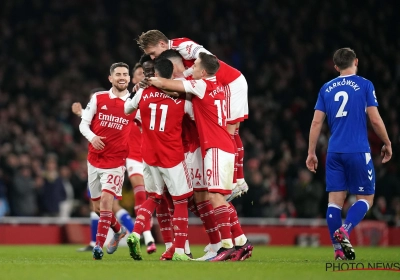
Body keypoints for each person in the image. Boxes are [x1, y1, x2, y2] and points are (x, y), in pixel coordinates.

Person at [148, 52, 253, 262]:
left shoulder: (203, 85)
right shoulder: (217, 88)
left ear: (203, 72)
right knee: (215, 196)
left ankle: (225, 246)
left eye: (194, 66)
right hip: (222, 145)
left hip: (215, 147)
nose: (190, 69)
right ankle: (239, 242)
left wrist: (150, 80)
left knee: (214, 197)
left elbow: (172, 85)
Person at [137, 30, 249, 201]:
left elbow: (208, 60)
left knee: (229, 131)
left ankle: (236, 181)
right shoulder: (173, 55)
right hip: (222, 84)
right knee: (231, 131)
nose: (153, 58)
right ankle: (237, 181)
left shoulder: (183, 46)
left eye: (152, 53)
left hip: (229, 83)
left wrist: (188, 75)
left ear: (162, 44)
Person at [306, 48, 392, 261]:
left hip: (334, 152)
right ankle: (345, 230)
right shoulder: (364, 84)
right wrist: (387, 142)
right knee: (366, 199)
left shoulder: (326, 88)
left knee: (334, 202)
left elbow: (317, 122)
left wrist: (311, 152)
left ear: (336, 67)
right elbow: (375, 119)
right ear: (356, 61)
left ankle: (338, 251)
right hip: (357, 150)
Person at [125, 59, 194, 261]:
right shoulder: (182, 98)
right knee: (180, 200)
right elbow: (194, 118)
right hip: (172, 155)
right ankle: (181, 250)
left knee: (154, 198)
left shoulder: (142, 92)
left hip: (148, 155)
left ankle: (136, 233)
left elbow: (127, 109)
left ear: (154, 73)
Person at [79, 62, 133, 260]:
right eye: (117, 74)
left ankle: (98, 247)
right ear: (110, 78)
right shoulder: (98, 98)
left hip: (116, 162)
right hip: (94, 159)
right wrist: (93, 138)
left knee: (106, 203)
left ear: (129, 78)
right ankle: (119, 232)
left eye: (125, 74)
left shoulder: (134, 102)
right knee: (97, 209)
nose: (121, 77)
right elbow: (83, 125)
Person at [126, 60, 157, 254]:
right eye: (139, 73)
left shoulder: (154, 97)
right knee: (140, 193)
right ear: (132, 79)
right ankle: (148, 237)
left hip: (152, 155)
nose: (143, 76)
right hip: (133, 156)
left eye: (145, 73)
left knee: (154, 197)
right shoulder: (128, 100)